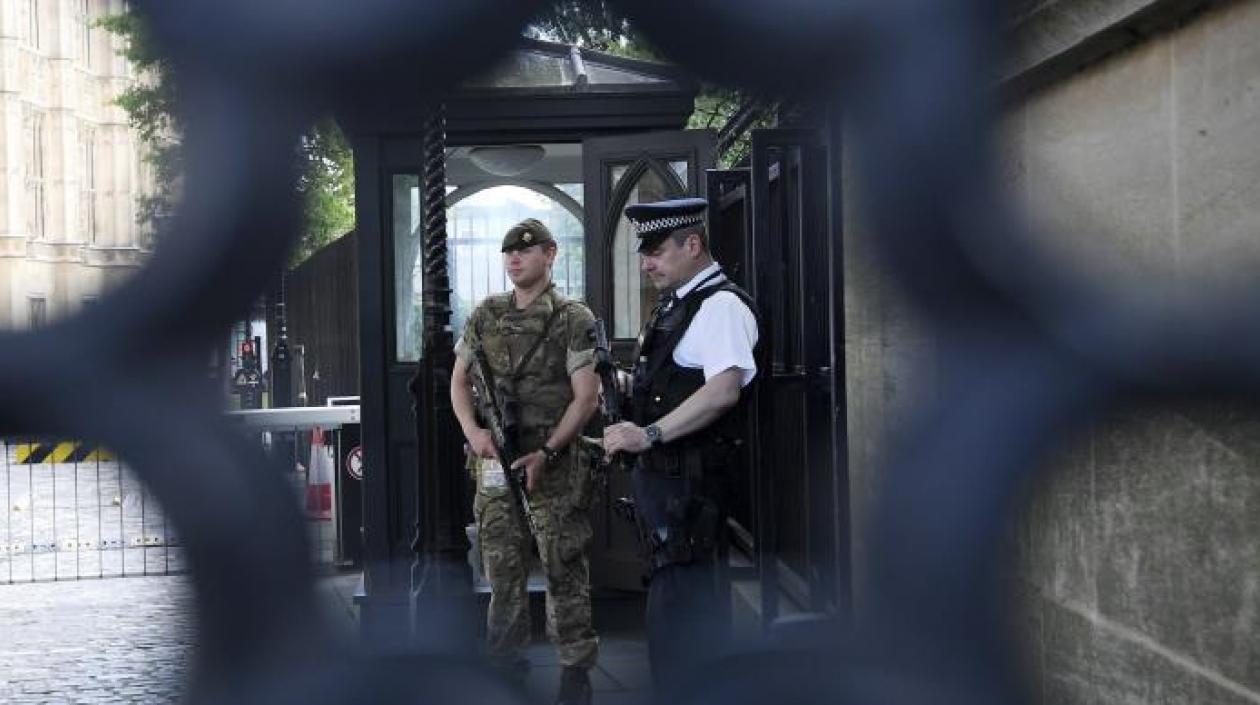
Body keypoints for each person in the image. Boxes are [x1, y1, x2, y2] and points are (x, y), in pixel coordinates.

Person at [602, 197, 760, 699]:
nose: (646, 262)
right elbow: (673, 384)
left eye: (656, 250)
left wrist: (647, 434)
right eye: (643, 253)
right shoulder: (678, 307)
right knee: (674, 626)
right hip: (669, 494)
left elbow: (723, 389)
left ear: (692, 244)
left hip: (693, 493)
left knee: (686, 630)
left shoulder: (721, 306)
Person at [450, 218, 600, 705]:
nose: (515, 257)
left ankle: (575, 671)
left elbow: (586, 399)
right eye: (508, 251)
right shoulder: (485, 315)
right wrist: (474, 433)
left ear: (550, 255)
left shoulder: (573, 318)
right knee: (502, 568)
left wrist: (549, 451)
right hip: (496, 462)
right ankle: (505, 668)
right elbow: (458, 381)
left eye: (526, 250)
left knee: (563, 566)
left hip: (553, 463)